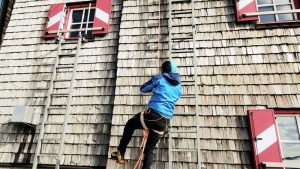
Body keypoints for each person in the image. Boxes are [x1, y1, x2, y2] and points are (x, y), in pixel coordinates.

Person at [111, 60, 182, 169]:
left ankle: (120, 153)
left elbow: (143, 88)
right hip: (165, 121)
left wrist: (153, 86)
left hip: (153, 115)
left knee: (130, 124)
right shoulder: (179, 86)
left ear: (164, 70)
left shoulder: (160, 78)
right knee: (149, 150)